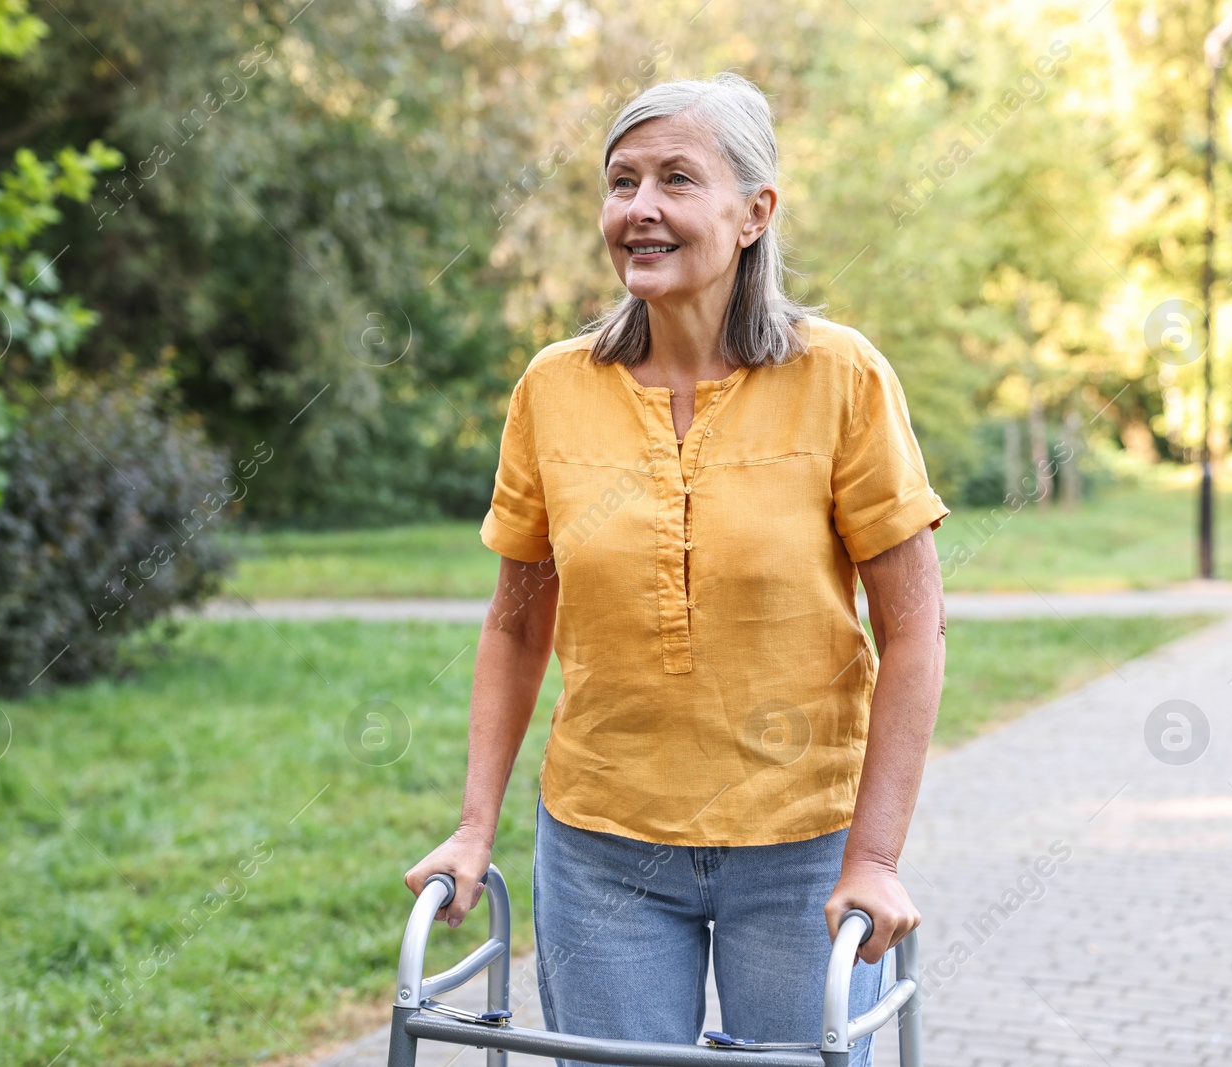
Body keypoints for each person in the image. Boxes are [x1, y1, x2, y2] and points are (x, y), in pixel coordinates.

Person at [404, 71, 948, 1067]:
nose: (639, 208)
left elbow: (914, 629)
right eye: (621, 182)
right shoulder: (553, 388)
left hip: (802, 846)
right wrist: (473, 828)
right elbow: (517, 625)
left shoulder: (841, 377)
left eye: (675, 179)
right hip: (602, 845)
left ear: (753, 212)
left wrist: (873, 858)